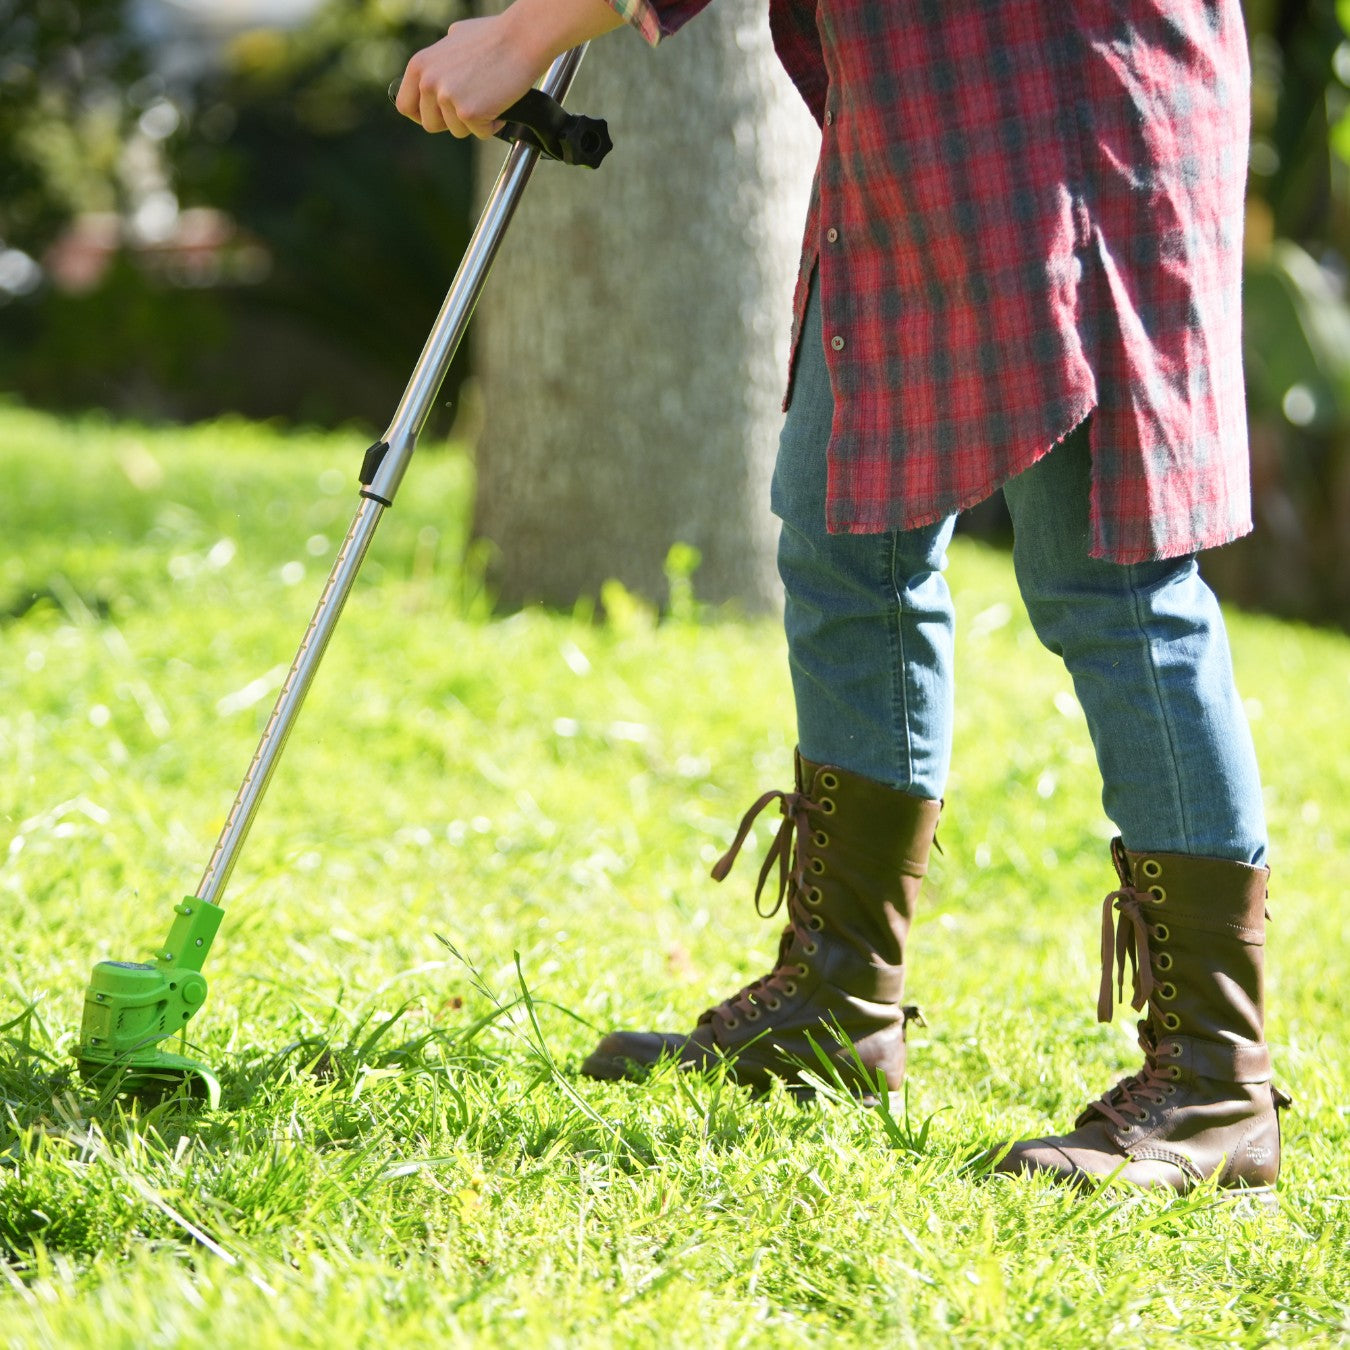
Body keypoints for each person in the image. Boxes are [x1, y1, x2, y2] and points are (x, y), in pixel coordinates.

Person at [397, 0, 1287, 1195]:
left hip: (1069, 95)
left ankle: (1215, 1085)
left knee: (1113, 583)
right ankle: (837, 999)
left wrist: (528, 28)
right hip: (914, 110)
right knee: (841, 536)